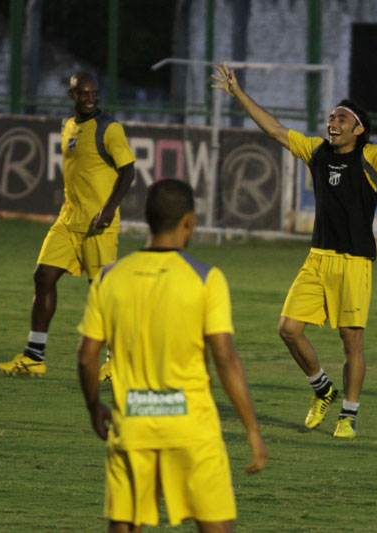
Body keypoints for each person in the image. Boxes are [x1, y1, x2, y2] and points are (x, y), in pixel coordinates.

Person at [212, 64, 377, 438]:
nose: (333, 121)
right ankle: (322, 389)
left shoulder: (371, 158)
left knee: (351, 341)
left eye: (341, 118)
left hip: (355, 263)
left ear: (358, 129)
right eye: (331, 116)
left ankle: (348, 415)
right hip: (318, 258)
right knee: (288, 329)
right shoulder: (316, 152)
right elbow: (276, 129)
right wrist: (239, 94)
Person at [77, 179, 268, 532]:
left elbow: (88, 356)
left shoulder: (110, 277)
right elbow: (225, 358)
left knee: (124, 525)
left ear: (148, 219)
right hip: (192, 428)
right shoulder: (206, 278)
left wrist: (93, 408)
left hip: (133, 424)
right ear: (189, 222)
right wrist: (252, 429)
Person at [0, 72, 136, 377]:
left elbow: (128, 172)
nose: (90, 99)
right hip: (68, 220)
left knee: (103, 292)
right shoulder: (69, 126)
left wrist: (110, 208)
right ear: (72, 96)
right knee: (43, 276)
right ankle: (34, 356)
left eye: (94, 93)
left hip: (98, 223)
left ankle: (116, 363)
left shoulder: (110, 129)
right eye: (83, 94)